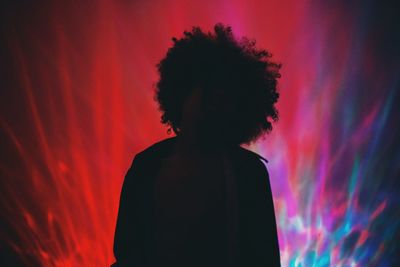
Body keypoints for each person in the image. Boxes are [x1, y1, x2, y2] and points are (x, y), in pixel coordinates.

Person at [111, 22, 281, 267]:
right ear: (183, 92)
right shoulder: (146, 167)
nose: (215, 103)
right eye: (208, 91)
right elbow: (128, 255)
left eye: (225, 97)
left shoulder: (249, 173)